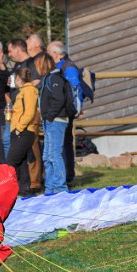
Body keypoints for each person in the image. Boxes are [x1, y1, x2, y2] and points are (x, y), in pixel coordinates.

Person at [38, 53, 76, 193]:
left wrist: (49, 116)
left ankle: (60, 188)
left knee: (54, 154)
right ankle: (50, 187)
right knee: (47, 156)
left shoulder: (55, 78)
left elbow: (59, 99)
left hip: (56, 120)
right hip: (50, 121)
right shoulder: (47, 78)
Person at [46, 41, 82, 186]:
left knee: (64, 144)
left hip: (64, 111)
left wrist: (75, 109)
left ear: (56, 53)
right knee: (60, 145)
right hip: (59, 110)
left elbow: (74, 89)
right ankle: (62, 176)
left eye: (48, 52)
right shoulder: (58, 66)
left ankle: (68, 176)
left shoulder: (69, 67)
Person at [6, 67, 40, 197]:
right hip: (18, 130)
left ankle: (10, 189)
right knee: (20, 163)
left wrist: (19, 128)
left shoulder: (29, 91)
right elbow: (22, 111)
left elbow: (30, 112)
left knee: (11, 162)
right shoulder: (22, 92)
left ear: (19, 79)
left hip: (24, 131)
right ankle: (24, 190)